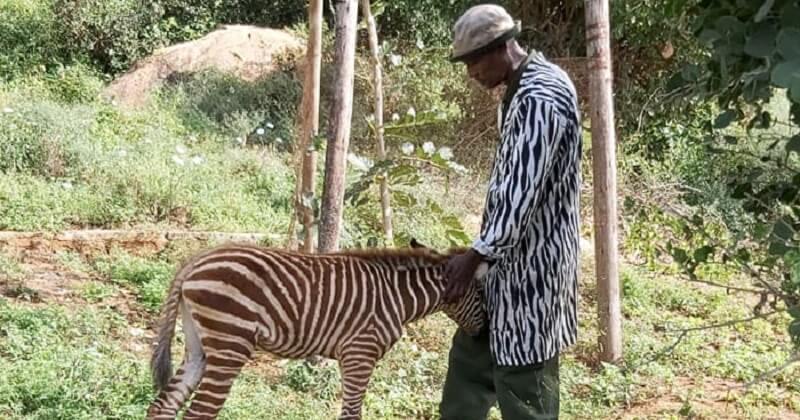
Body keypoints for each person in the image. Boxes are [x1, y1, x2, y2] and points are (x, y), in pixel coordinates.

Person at [440, 4, 582, 420]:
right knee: (467, 372)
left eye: (473, 62)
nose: (471, 74)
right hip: (501, 273)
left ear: (502, 48)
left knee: (526, 390)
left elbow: (523, 191)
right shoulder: (521, 90)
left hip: (533, 276)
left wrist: (476, 256)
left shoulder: (540, 97)